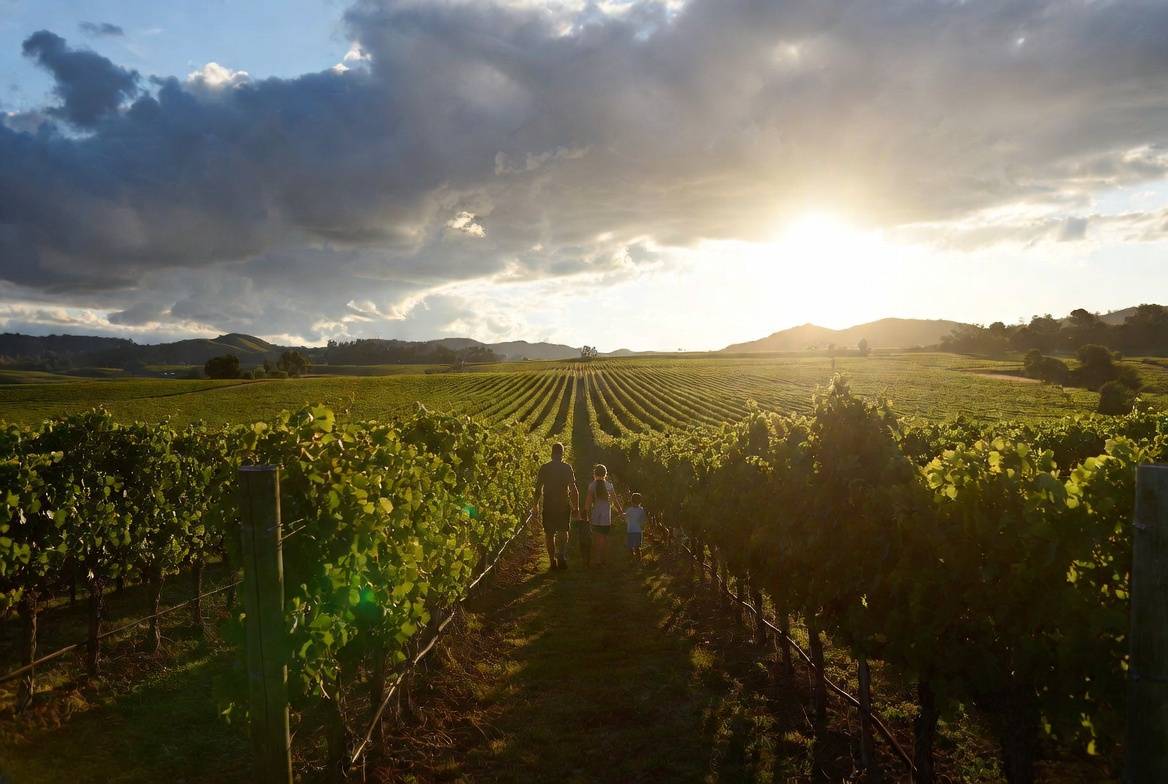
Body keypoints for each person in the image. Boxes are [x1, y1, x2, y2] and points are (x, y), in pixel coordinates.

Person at [533, 442, 579, 571]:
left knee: (549, 533)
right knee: (563, 531)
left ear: (552, 453)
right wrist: (576, 507)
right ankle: (561, 555)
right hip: (563, 504)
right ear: (562, 453)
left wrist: (535, 505)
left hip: (548, 505)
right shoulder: (567, 468)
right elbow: (573, 488)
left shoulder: (544, 468)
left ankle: (552, 560)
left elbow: (537, 488)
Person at [584, 464, 622, 566]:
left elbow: (588, 502)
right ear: (605, 474)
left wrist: (586, 513)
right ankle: (604, 559)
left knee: (596, 538)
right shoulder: (609, 485)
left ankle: (597, 559)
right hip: (606, 515)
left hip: (596, 514)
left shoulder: (592, 485)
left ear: (594, 474)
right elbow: (615, 500)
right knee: (604, 538)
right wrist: (620, 511)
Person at [624, 492, 646, 563]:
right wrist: (642, 527)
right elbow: (643, 521)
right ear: (640, 501)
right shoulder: (641, 510)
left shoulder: (629, 510)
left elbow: (625, 517)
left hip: (630, 531)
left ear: (631, 501)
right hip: (638, 531)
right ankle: (638, 560)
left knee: (630, 546)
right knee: (637, 547)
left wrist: (622, 515)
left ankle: (631, 559)